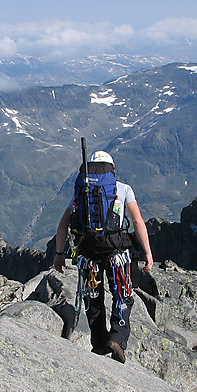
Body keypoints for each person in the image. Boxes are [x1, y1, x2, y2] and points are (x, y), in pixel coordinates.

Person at [53, 150, 154, 363]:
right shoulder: (124, 189)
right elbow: (137, 222)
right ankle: (117, 338)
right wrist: (147, 252)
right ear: (112, 169)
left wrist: (59, 254)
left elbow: (63, 224)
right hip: (117, 252)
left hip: (88, 253)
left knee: (93, 297)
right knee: (122, 294)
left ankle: (99, 343)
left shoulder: (82, 190)